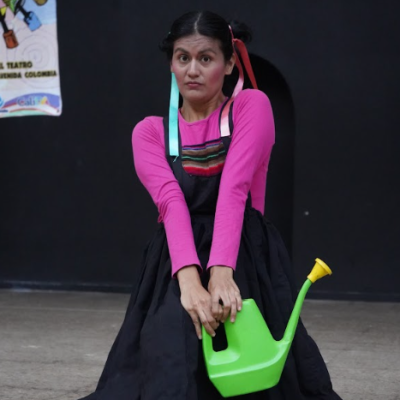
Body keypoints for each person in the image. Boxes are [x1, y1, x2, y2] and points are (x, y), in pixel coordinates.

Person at [78, 10, 343, 400]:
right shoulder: (150, 132)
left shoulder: (251, 107)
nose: (193, 70)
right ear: (171, 63)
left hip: (243, 254)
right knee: (170, 356)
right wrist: (189, 284)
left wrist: (221, 274)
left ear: (230, 63)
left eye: (206, 58)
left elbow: (234, 188)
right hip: (176, 257)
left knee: (253, 372)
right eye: (183, 57)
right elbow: (171, 203)